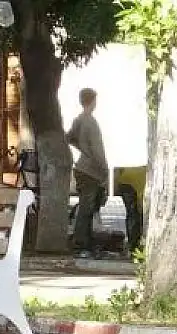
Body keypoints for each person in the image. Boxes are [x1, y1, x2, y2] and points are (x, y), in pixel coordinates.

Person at [67, 88, 109, 259]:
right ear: (92, 101)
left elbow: (69, 137)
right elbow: (97, 149)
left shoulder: (78, 120)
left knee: (87, 207)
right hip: (91, 170)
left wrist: (81, 149)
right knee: (87, 207)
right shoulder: (91, 122)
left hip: (81, 167)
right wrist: (104, 168)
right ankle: (81, 243)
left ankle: (84, 241)